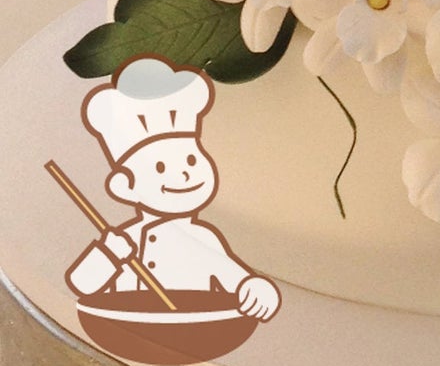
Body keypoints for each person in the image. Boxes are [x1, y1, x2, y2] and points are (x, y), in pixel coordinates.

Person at [64, 55, 281, 320]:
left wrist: (256, 289)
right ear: (125, 186)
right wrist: (109, 254)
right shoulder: (125, 240)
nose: (184, 173)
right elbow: (83, 284)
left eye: (191, 159)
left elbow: (238, 280)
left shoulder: (204, 240)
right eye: (160, 168)